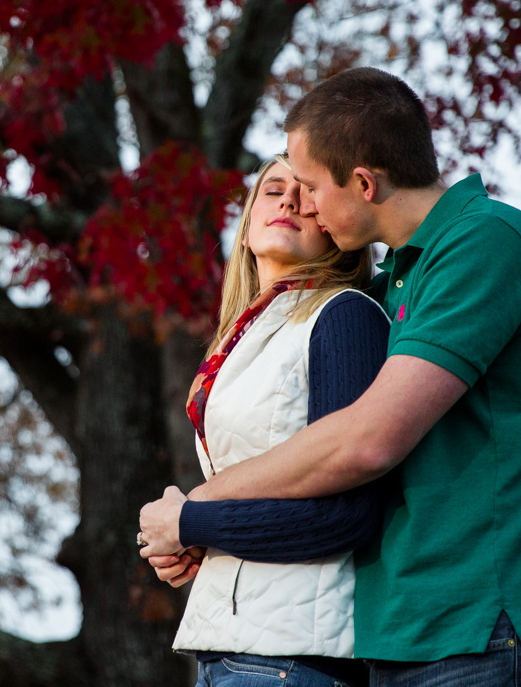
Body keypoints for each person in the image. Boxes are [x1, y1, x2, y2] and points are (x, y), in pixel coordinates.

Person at [139, 67, 521, 687]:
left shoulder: (488, 241)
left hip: (486, 622)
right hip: (393, 632)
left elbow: (366, 439)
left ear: (362, 183)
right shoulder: (388, 287)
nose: (304, 204)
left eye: (309, 186)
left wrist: (197, 509)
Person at [145, 155, 391, 687]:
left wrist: (189, 523)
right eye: (273, 189)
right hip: (228, 648)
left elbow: (346, 517)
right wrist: (193, 543)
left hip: (293, 655)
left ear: (334, 223)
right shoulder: (243, 337)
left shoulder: (344, 315)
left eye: (306, 192)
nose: (289, 201)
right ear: (248, 220)